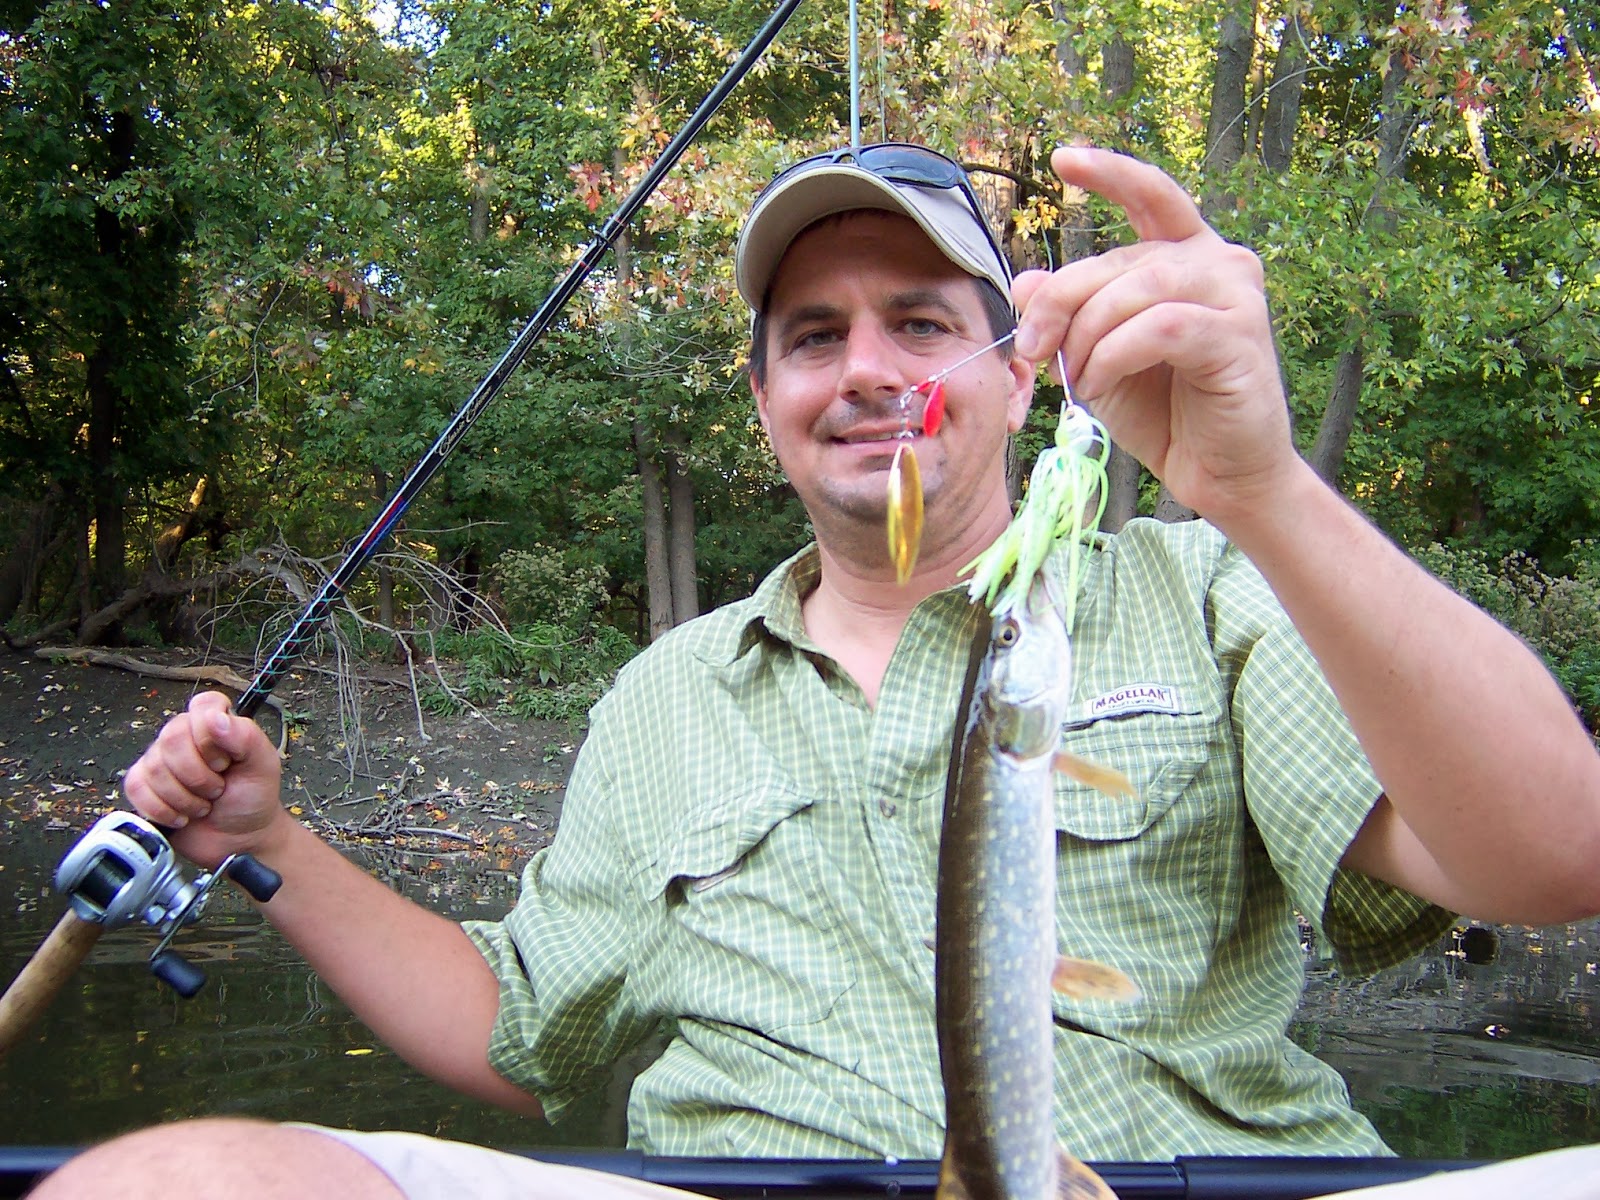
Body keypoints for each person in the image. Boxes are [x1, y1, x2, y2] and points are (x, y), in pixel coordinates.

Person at [30, 144, 1600, 1200]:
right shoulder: (665, 697)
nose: (866, 370)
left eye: (920, 321)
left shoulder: (1207, 590)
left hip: (1204, 1179)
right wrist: (269, 843)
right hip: (754, 1182)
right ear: (768, 400)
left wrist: (1263, 492)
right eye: (813, 335)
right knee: (165, 1181)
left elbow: (1553, 855)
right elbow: (518, 1029)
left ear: (1017, 373)